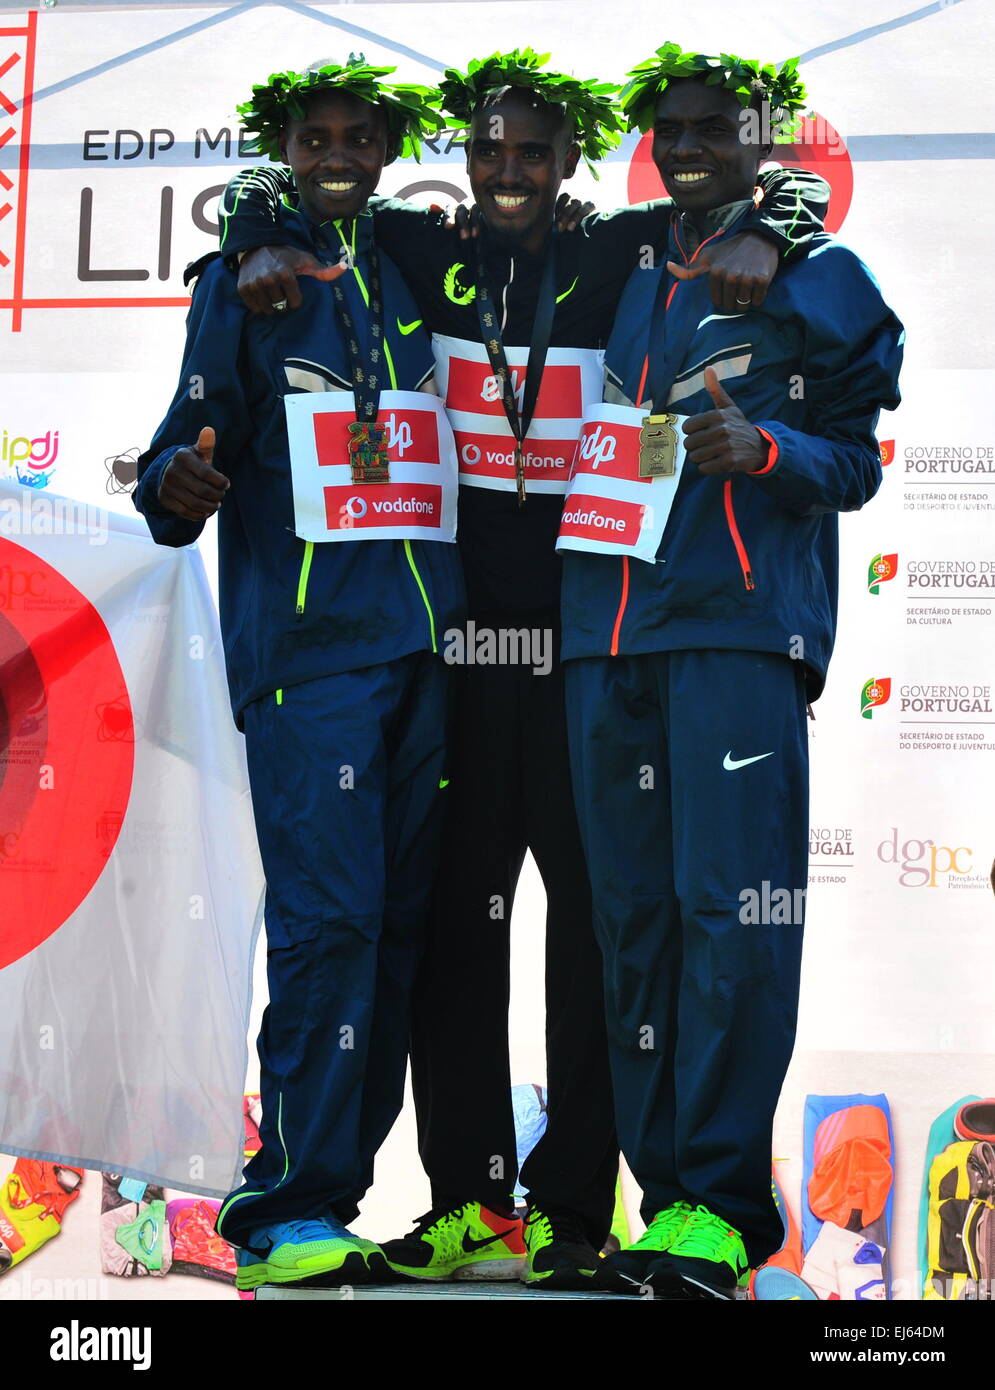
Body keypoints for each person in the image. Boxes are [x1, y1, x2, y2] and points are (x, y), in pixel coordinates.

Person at [218, 47, 830, 1289]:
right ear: (458, 157)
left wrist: (787, 211)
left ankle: (574, 1210)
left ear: (572, 164)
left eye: (533, 154)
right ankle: (471, 1202)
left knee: (602, 934)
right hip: (449, 653)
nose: (506, 173)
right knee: (453, 928)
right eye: (488, 151)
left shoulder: (620, 254)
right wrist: (243, 241)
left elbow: (760, 206)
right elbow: (280, 201)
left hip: (585, 648)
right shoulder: (399, 249)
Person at [556, 46, 904, 1299]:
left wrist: (765, 448)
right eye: (672, 129)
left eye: (718, 128)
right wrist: (262, 216)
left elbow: (855, 462)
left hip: (737, 639)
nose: (691, 145)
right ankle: (665, 1216)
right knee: (633, 931)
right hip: (603, 639)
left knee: (730, 921)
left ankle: (718, 1207)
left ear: (764, 140)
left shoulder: (814, 271)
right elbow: (450, 248)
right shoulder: (622, 253)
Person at [131, 58, 465, 1293]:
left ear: (386, 152)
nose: (338, 153)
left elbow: (552, 249)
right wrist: (171, 486)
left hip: (432, 652)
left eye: (357, 137)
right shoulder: (245, 279)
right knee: (329, 927)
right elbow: (182, 443)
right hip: (312, 660)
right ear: (284, 147)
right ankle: (281, 1212)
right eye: (310, 137)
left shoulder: (417, 263)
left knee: (394, 936)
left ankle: (333, 1198)